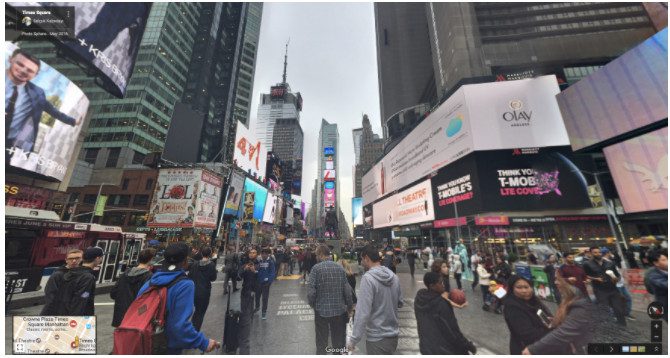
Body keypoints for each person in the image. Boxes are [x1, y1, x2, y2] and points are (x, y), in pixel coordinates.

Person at [136, 243, 218, 354]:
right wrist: (204, 342)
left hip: (144, 342)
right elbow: (179, 326)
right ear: (184, 262)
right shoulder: (185, 285)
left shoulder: (150, 282)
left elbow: (138, 311)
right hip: (167, 347)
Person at [5, 49, 81, 155]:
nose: (23, 71)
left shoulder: (38, 93)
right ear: (10, 59)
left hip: (10, 146)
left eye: (30, 70)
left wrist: (73, 121)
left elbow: (54, 112)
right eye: (20, 64)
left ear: (35, 74)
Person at [347, 245, 403, 355]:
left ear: (366, 258)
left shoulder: (368, 279)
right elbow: (400, 302)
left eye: (362, 259)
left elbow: (363, 312)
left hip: (376, 338)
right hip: (393, 337)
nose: (361, 262)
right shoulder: (393, 276)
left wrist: (353, 340)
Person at [522, 273, 594, 354]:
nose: (555, 282)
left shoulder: (578, 301)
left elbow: (566, 331)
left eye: (558, 279)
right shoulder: (567, 297)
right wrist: (555, 321)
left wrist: (533, 349)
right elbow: (570, 318)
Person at [414, 272, 477, 355]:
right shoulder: (441, 304)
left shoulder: (419, 300)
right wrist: (469, 346)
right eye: (440, 283)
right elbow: (453, 332)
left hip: (426, 348)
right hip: (444, 350)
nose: (443, 285)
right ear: (432, 286)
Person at [308, 245, 354, 354]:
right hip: (339, 311)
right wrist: (349, 307)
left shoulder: (316, 269)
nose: (315, 257)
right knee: (338, 341)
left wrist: (313, 304)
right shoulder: (339, 268)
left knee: (321, 342)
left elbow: (311, 292)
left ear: (321, 254)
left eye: (316, 255)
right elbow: (347, 291)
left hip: (321, 311)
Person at [503, 276, 553, 354]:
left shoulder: (535, 301)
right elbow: (527, 334)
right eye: (519, 287)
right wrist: (550, 330)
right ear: (512, 289)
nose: (524, 290)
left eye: (527, 287)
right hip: (526, 349)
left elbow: (548, 317)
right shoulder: (512, 306)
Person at [110, 248, 155, 327]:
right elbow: (147, 300)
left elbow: (113, 293)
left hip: (120, 316)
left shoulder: (125, 274)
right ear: (150, 260)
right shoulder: (149, 277)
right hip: (136, 318)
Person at [583, 247, 627, 326]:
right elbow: (585, 276)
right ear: (591, 253)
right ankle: (609, 329)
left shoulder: (609, 263)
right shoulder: (587, 264)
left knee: (618, 309)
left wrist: (615, 279)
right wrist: (595, 279)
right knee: (605, 310)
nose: (598, 254)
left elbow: (618, 275)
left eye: (599, 252)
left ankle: (622, 325)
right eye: (595, 252)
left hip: (613, 289)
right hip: (600, 290)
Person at [40, 249, 83, 315]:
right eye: (71, 258)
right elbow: (50, 294)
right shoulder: (58, 275)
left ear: (82, 259)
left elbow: (86, 292)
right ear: (66, 260)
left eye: (77, 258)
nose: (74, 261)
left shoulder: (83, 275)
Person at [188, 246, 218, 331]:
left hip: (194, 290)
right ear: (210, 254)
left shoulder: (195, 264)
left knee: (195, 311)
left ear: (201, 253)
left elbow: (190, 276)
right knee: (200, 312)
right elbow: (213, 278)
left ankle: (191, 328)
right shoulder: (211, 265)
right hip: (204, 292)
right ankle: (195, 331)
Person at [238, 247, 259, 354]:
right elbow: (239, 276)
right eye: (251, 253)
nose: (252, 254)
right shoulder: (244, 263)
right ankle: (245, 324)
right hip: (245, 289)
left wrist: (254, 271)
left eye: (254, 252)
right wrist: (244, 269)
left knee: (250, 310)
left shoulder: (258, 264)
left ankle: (247, 324)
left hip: (254, 290)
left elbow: (260, 275)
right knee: (244, 310)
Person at [644, 249, 667, 321]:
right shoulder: (652, 275)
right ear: (656, 263)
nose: (667, 261)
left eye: (667, 258)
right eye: (664, 260)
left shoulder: (666, 268)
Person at [255, 248, 276, 320]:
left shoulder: (270, 262)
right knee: (257, 296)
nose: (264, 255)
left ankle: (264, 312)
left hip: (266, 284)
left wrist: (269, 280)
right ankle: (257, 307)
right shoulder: (258, 261)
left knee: (265, 298)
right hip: (258, 282)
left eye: (265, 254)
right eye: (262, 253)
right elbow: (256, 269)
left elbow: (272, 272)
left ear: (268, 254)